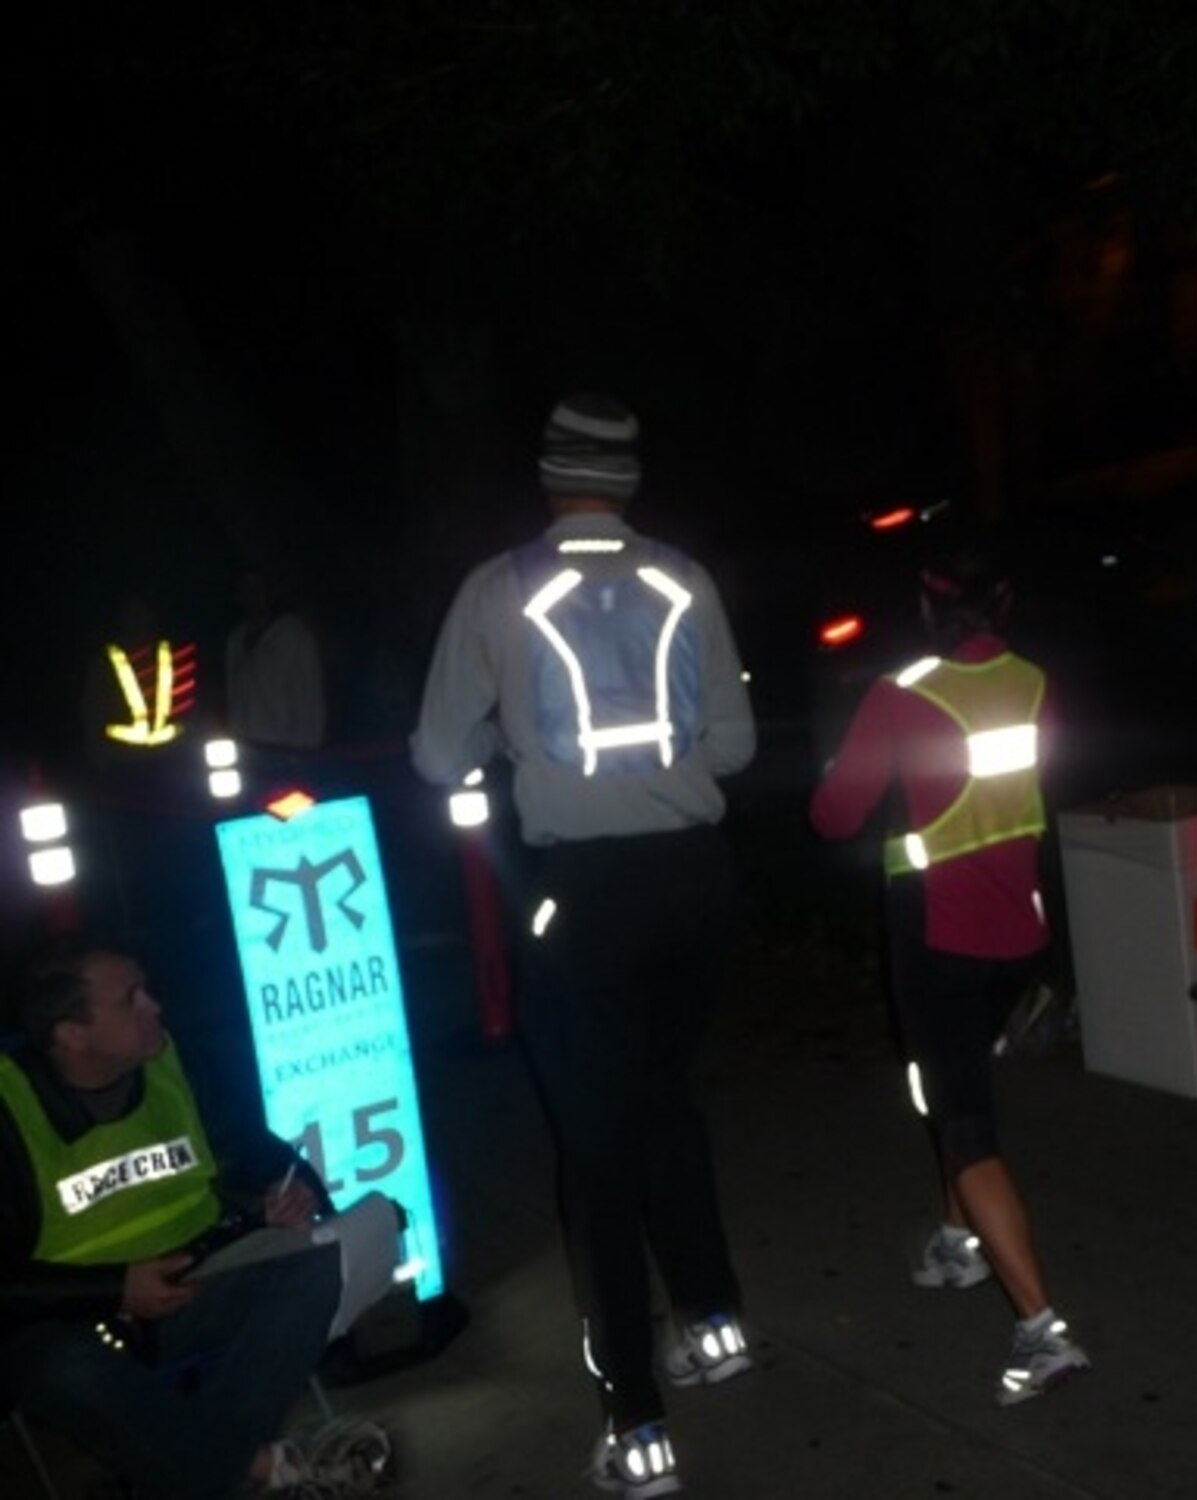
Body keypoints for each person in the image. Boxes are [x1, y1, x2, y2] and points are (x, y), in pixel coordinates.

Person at [411, 393, 757, 1497]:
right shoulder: (686, 579)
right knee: (664, 1096)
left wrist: (506, 744)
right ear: (629, 481)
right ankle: (712, 1322)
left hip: (582, 896)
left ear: (551, 479)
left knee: (596, 1150)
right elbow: (737, 744)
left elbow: (432, 756)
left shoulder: (496, 590)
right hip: (698, 884)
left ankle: (635, 1422)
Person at [809, 536, 1091, 1406]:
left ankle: (1042, 1331)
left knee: (965, 1121)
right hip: (1020, 929)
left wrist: (839, 766)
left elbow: (833, 816)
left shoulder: (902, 693)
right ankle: (955, 1243)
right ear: (1002, 602)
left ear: (928, 605)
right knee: (957, 1082)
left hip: (938, 935)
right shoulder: (1036, 683)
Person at [0, 940, 389, 1498]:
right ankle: (252, 1468)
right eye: (131, 999)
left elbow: (255, 1150)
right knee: (57, 1369)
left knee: (322, 1264)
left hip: (201, 1279)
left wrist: (286, 1195)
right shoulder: (8, 1107)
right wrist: (115, 1289)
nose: (155, 1006)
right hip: (73, 1318)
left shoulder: (174, 1061)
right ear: (72, 1034)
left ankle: (203, 1469)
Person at [225, 566, 327, 751]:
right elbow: (233, 697)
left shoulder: (293, 635)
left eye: (257, 587)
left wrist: (304, 753)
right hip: (245, 752)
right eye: (245, 587)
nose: (252, 594)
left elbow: (309, 701)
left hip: (284, 751)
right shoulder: (235, 640)